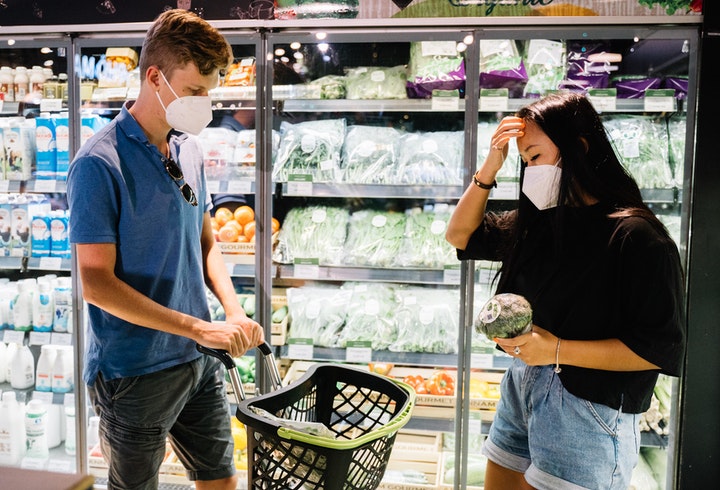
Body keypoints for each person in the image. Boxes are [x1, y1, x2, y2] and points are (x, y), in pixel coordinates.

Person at [446, 92, 685, 490]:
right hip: (524, 385)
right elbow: (460, 235)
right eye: (524, 161)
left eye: (535, 156)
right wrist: (490, 167)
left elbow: (657, 349)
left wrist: (556, 350)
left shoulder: (638, 238)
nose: (530, 170)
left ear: (579, 148)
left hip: (588, 409)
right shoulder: (543, 222)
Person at [67, 9, 264, 490]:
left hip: (198, 359)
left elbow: (206, 242)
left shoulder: (188, 149)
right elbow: (96, 285)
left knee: (221, 481)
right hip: (134, 373)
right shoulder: (98, 163)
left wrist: (234, 312)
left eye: (209, 91)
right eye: (194, 90)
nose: (204, 103)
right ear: (154, 78)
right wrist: (200, 327)